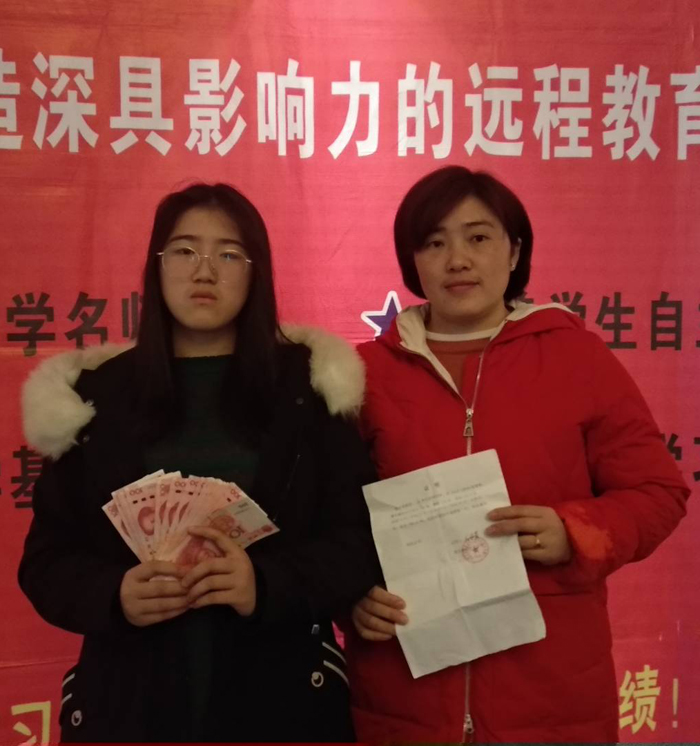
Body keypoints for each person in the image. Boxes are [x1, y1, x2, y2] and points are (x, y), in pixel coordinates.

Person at [19, 183, 380, 743]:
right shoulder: (95, 396)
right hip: (130, 705)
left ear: (257, 273)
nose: (204, 271)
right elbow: (46, 561)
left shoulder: (309, 388)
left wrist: (265, 584)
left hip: (282, 701)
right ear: (156, 266)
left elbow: (358, 542)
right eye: (185, 250)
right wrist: (115, 594)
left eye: (229, 254)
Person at [345, 166, 689, 743]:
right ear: (412, 261)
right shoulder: (362, 375)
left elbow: (658, 492)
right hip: (404, 696)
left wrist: (573, 532)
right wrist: (350, 592)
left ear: (515, 251)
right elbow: (326, 520)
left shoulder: (577, 359)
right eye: (434, 242)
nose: (458, 259)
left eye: (478, 237)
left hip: (550, 697)